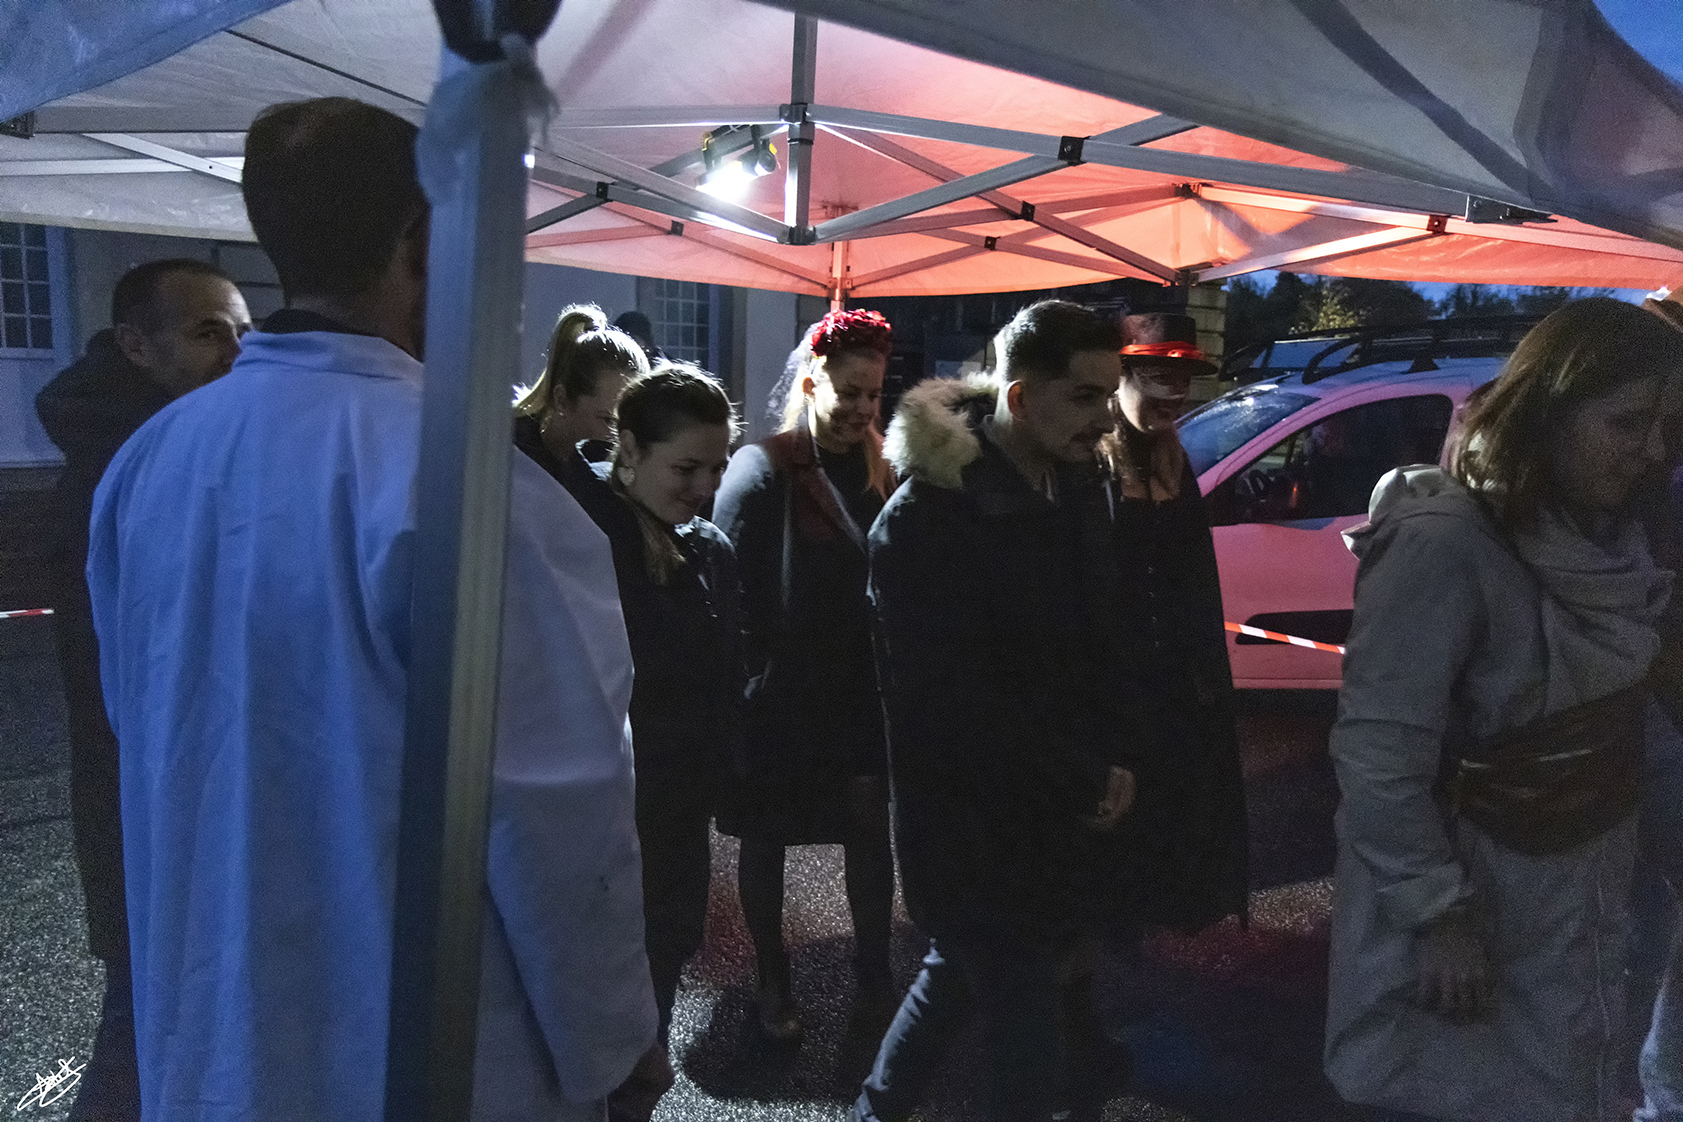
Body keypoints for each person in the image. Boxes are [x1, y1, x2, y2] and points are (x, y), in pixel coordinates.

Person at [86, 96, 665, 1122]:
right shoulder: (471, 481)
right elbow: (557, 808)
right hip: (429, 1056)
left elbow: (148, 733)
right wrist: (614, 1043)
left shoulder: (149, 463)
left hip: (224, 1039)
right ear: (425, 239)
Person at [1323, 298, 1683, 1122]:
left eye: (1666, 428)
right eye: (1626, 423)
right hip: (1471, 918)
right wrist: (1435, 918)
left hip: (1578, 906)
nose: (1653, 453)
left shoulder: (1612, 544)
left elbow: (1627, 731)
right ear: (1548, 409)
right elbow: (1379, 757)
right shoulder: (1442, 541)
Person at [854, 300, 1139, 1122]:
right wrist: (1081, 772)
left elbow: (1097, 645)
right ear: (1019, 396)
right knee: (1026, 1053)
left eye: (1107, 394)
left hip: (1055, 812)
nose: (1105, 417)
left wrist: (1115, 756)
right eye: (1084, 396)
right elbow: (950, 708)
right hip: (976, 828)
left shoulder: (1075, 485)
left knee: (959, 975)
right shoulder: (926, 520)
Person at [33, 257, 249, 1122]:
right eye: (207, 333)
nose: (235, 353)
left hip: (163, 795)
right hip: (152, 800)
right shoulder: (132, 469)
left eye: (242, 332)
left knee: (162, 1024)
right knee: (145, 1026)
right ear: (135, 344)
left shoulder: (160, 444)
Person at [712, 309, 899, 1038]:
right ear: (814, 382)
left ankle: (875, 978)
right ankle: (771, 980)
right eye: (849, 392)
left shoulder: (884, 468)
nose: (862, 408)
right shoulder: (765, 467)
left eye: (873, 394)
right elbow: (724, 582)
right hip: (781, 696)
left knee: (869, 835)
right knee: (766, 838)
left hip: (858, 693)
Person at [1080, 311, 1249, 1118]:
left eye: (1183, 377)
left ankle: (1106, 1014)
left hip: (1169, 695)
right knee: (1096, 855)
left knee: (1149, 852)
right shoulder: (1090, 461)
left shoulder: (1172, 458)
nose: (1175, 391)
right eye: (1159, 374)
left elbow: (1189, 583)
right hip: (1106, 692)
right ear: (1122, 374)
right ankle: (1076, 1029)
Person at [564, 361, 742, 1042]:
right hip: (604, 826)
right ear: (631, 449)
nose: (705, 488)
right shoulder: (583, 539)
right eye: (687, 469)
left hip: (675, 824)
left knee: (653, 1002)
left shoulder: (708, 549)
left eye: (717, 468)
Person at [513, 303, 649, 493]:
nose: (619, 438)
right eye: (607, 420)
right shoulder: (507, 456)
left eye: (628, 425)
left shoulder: (590, 476)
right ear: (562, 400)